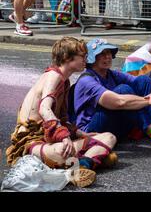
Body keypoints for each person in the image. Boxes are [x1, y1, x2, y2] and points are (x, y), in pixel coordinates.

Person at [5, 37, 117, 188]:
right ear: (67, 57)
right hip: (33, 142)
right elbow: (44, 109)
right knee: (63, 150)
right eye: (82, 56)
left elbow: (62, 119)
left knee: (109, 137)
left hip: (49, 139)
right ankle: (85, 162)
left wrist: (79, 134)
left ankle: (82, 167)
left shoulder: (65, 81)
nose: (86, 59)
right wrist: (64, 137)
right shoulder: (54, 75)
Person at [72, 38, 151, 155]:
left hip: (114, 124)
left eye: (109, 53)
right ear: (91, 59)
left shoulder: (110, 74)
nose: (108, 57)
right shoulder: (86, 80)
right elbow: (119, 102)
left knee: (143, 81)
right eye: (102, 54)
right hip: (93, 130)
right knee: (123, 90)